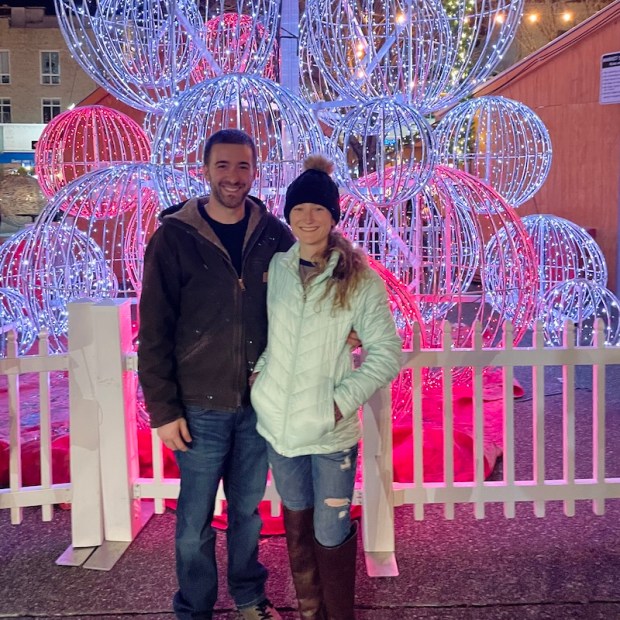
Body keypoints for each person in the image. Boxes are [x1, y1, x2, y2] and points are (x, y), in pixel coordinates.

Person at [137, 129, 294, 620]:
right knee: (193, 521)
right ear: (205, 170)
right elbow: (155, 329)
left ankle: (248, 596)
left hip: (258, 404)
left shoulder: (275, 235)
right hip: (199, 404)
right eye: (223, 166)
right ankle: (195, 608)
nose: (233, 177)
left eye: (243, 167)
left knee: (247, 513)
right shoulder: (175, 238)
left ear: (254, 171)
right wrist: (163, 410)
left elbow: (309, 295)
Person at [250, 155, 402, 620]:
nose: (307, 218)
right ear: (288, 216)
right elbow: (273, 334)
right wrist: (260, 376)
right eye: (298, 210)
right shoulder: (277, 268)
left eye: (317, 209)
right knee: (295, 524)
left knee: (330, 530)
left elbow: (386, 353)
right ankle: (310, 613)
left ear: (333, 216)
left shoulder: (357, 280)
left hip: (330, 434)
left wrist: (338, 403)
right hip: (278, 423)